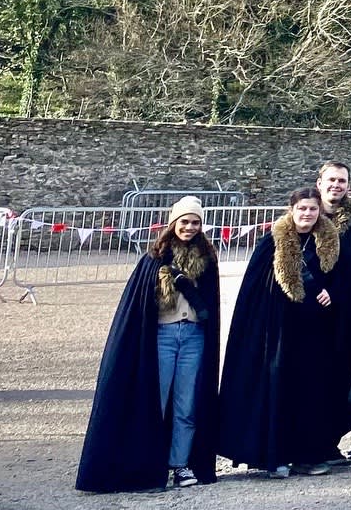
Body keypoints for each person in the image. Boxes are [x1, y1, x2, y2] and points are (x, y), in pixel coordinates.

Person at [76, 196, 221, 493]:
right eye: (184, 221)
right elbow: (138, 305)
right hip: (162, 336)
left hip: (194, 336)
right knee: (155, 401)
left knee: (187, 405)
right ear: (173, 223)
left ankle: (180, 464)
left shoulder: (207, 259)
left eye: (195, 222)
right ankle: (148, 464)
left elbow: (211, 303)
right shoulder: (154, 259)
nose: (190, 227)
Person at [218, 188, 347, 479]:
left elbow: (343, 279)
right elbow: (257, 290)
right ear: (292, 210)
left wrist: (332, 292)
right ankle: (274, 456)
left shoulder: (329, 242)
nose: (307, 214)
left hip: (315, 331)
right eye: (302, 208)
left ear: (319, 211)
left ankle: (306, 456)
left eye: (312, 209)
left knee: (309, 393)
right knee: (278, 389)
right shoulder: (272, 243)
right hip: (278, 329)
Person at [314, 162, 351, 461]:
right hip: (309, 313)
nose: (336, 185)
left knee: (341, 378)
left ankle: (334, 439)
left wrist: (337, 293)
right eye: (331, 180)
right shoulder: (306, 214)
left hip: (344, 314)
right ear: (319, 182)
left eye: (342, 181)